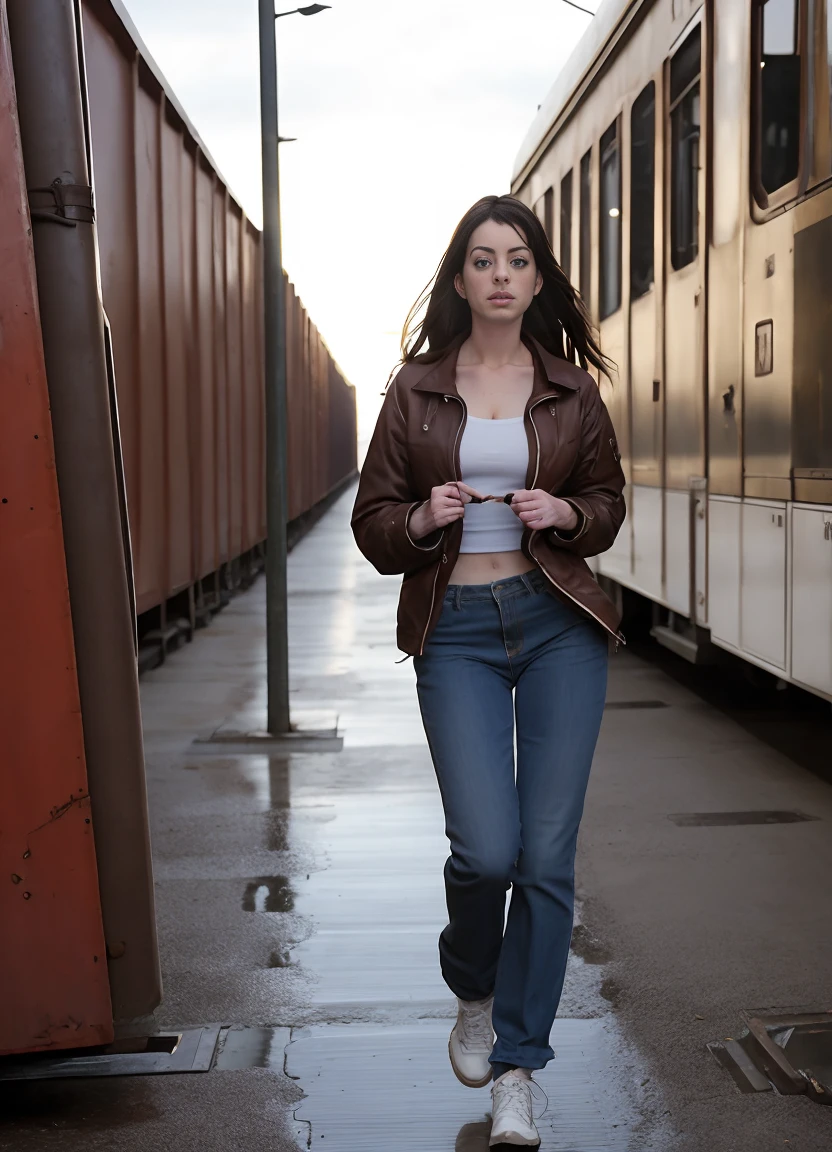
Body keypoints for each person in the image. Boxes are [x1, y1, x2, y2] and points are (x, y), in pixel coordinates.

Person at [351, 194, 626, 1147]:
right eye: (482, 259)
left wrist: (572, 517)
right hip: (458, 625)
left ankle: (518, 1066)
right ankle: (472, 981)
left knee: (547, 860)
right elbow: (372, 521)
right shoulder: (416, 388)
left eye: (517, 259)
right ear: (459, 277)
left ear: (537, 278)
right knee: (485, 852)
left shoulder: (572, 391)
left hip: (557, 626)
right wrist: (423, 520)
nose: (501, 274)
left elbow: (607, 500)